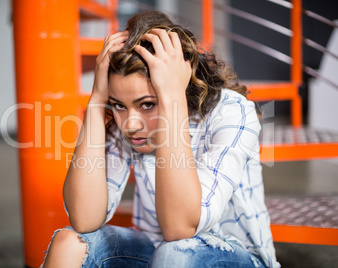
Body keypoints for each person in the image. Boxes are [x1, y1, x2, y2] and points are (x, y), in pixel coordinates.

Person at [41, 10, 279, 268]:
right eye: (118, 105)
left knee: (176, 253)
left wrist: (171, 101)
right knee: (69, 244)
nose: (131, 125)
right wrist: (98, 99)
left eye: (146, 104)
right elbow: (84, 218)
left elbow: (179, 228)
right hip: (158, 251)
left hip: (236, 255)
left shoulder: (232, 111)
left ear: (181, 86)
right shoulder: (126, 122)